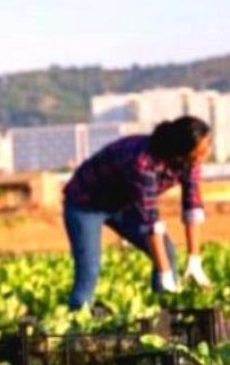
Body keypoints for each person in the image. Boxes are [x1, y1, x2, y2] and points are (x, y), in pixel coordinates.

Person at [63, 116, 212, 310]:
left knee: (167, 250)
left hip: (123, 204)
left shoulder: (190, 162)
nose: (206, 153)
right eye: (201, 150)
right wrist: (165, 274)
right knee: (89, 268)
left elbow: (192, 205)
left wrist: (194, 259)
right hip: (86, 203)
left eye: (208, 146)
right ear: (181, 150)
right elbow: (150, 222)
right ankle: (78, 323)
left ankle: (165, 315)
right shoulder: (144, 161)